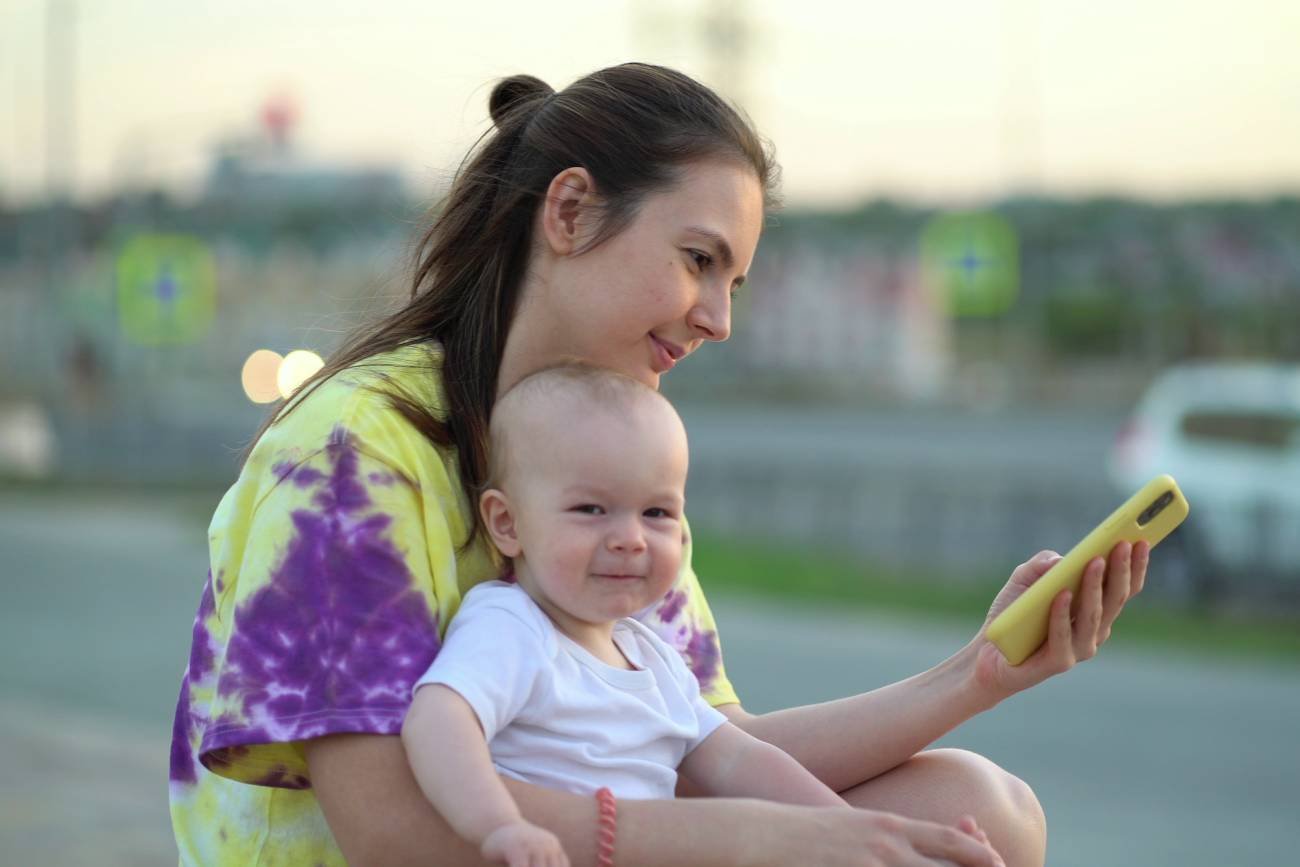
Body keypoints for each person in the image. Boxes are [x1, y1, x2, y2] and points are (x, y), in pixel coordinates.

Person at [169, 63, 1149, 867]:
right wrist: (767, 841)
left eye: (733, 281)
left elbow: (701, 746)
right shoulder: (351, 454)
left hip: (587, 843)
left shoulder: (604, 460)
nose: (718, 318)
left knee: (982, 809)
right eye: (697, 259)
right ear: (569, 211)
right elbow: (392, 834)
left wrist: (973, 676)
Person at [403, 364, 860, 867]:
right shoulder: (512, 626)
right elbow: (439, 721)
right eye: (591, 510)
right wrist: (499, 825)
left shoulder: (652, 657)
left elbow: (738, 759)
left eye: (657, 513)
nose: (630, 538)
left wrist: (853, 831)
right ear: (508, 524)